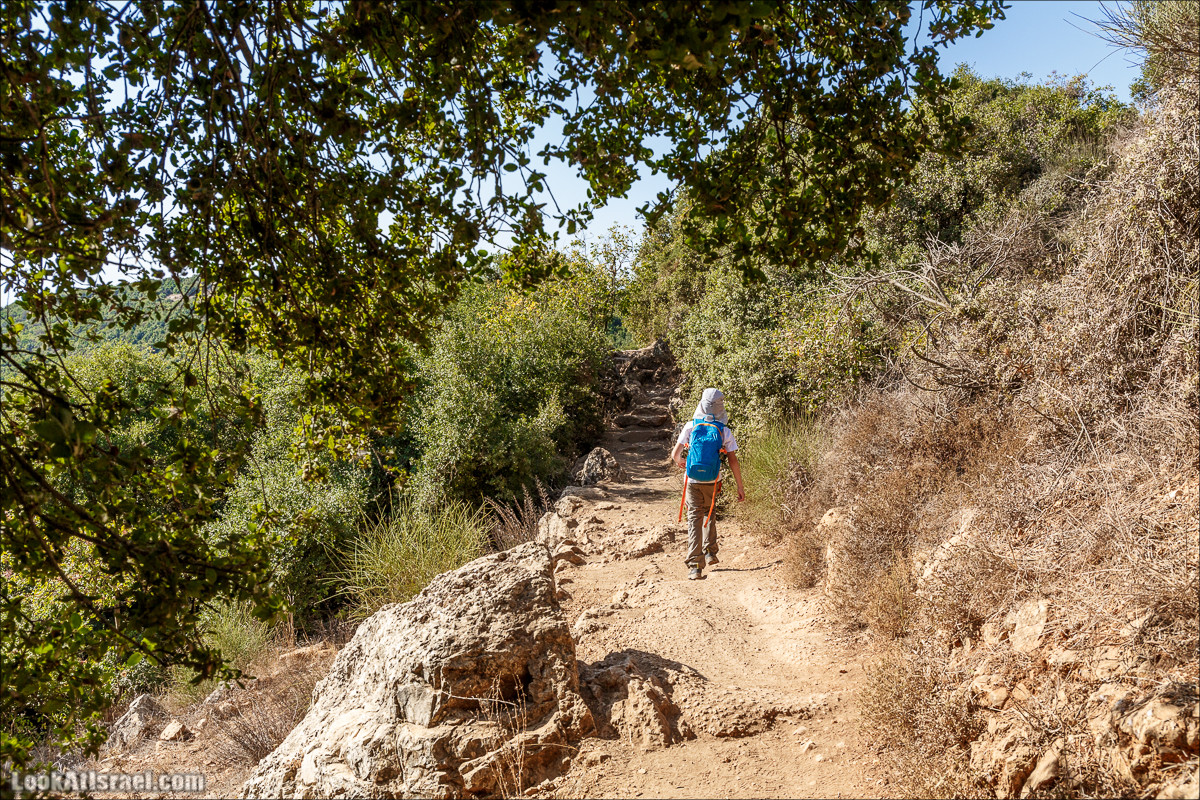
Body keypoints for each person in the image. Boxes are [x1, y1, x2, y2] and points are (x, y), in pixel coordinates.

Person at [670, 388, 745, 580]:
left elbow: (675, 455)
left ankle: (695, 565)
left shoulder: (690, 426)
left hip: (692, 479)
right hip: (713, 479)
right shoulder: (724, 430)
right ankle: (711, 551)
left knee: (694, 516)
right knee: (709, 512)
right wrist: (740, 486)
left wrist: (681, 462)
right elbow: (733, 460)